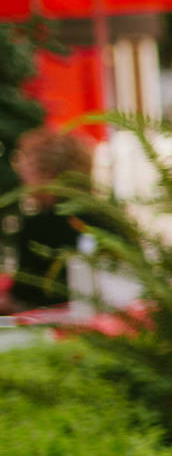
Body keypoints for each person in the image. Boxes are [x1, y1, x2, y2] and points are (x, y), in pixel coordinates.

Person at [1, 126, 94, 316]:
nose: (23, 180)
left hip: (48, 331)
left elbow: (24, 297)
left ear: (48, 176)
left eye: (27, 171)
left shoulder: (39, 226)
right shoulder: (106, 217)